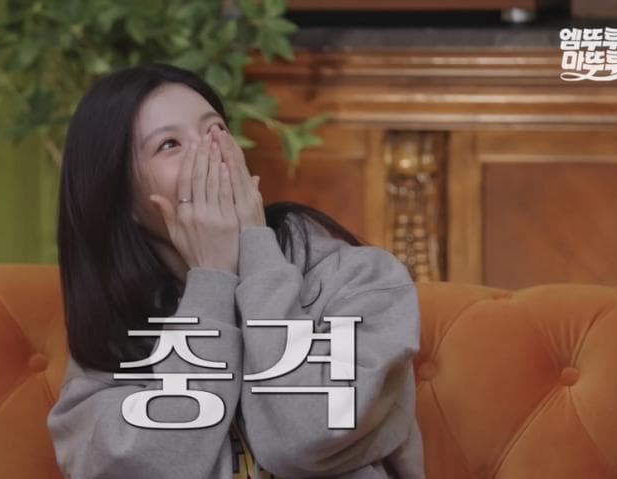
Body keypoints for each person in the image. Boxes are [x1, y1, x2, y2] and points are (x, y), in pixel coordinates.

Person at [47, 62, 426, 479]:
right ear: (123, 202)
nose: (210, 153)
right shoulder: (107, 349)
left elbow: (308, 435)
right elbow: (153, 466)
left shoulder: (358, 281)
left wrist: (255, 252)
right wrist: (212, 282)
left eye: (215, 130)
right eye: (169, 144)